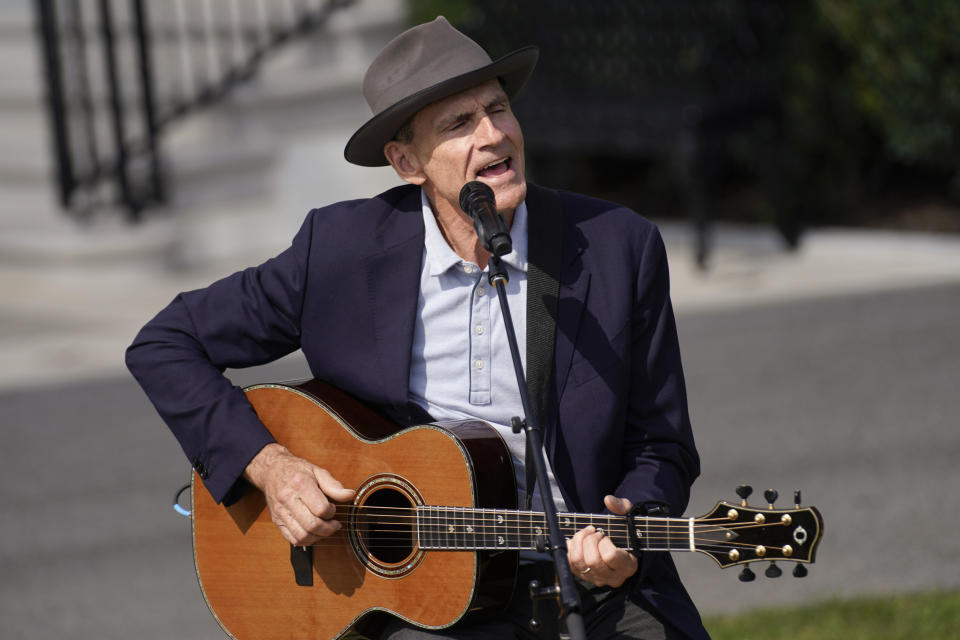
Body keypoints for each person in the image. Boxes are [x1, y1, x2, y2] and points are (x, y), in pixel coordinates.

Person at [126, 16, 708, 640]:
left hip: (592, 587)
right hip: (421, 596)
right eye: (459, 124)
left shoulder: (619, 247)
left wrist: (629, 529)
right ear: (407, 162)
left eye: (498, 108)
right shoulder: (341, 250)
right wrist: (270, 467)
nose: (493, 135)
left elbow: (662, 444)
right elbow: (165, 343)